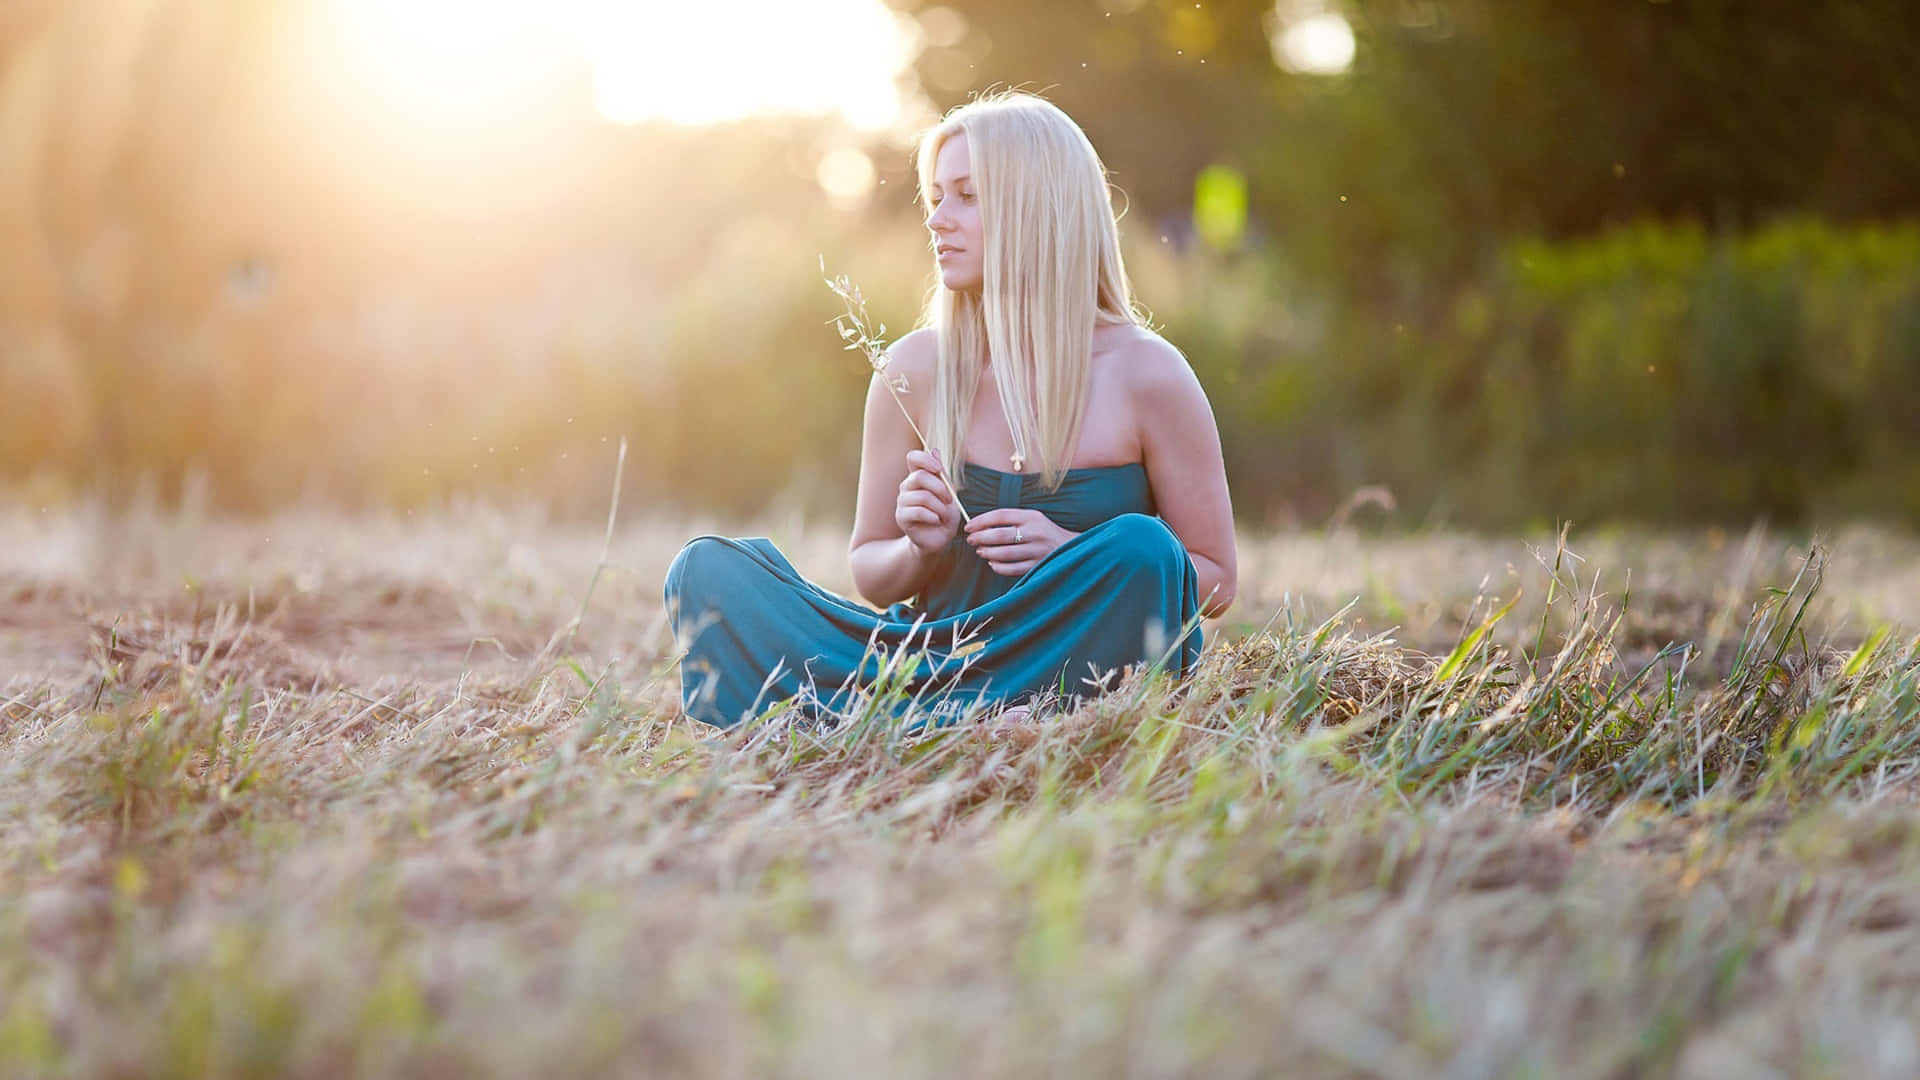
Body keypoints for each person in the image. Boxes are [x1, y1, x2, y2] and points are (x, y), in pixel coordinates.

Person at [663, 91, 1237, 730]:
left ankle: (887, 726)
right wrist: (918, 551)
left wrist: (1073, 555)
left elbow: (1214, 581)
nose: (938, 220)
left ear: (1039, 207)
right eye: (936, 198)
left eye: (967, 196)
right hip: (925, 664)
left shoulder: (1149, 374)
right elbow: (871, 573)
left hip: (1075, 669)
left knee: (1142, 547)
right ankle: (940, 721)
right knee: (709, 570)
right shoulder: (912, 371)